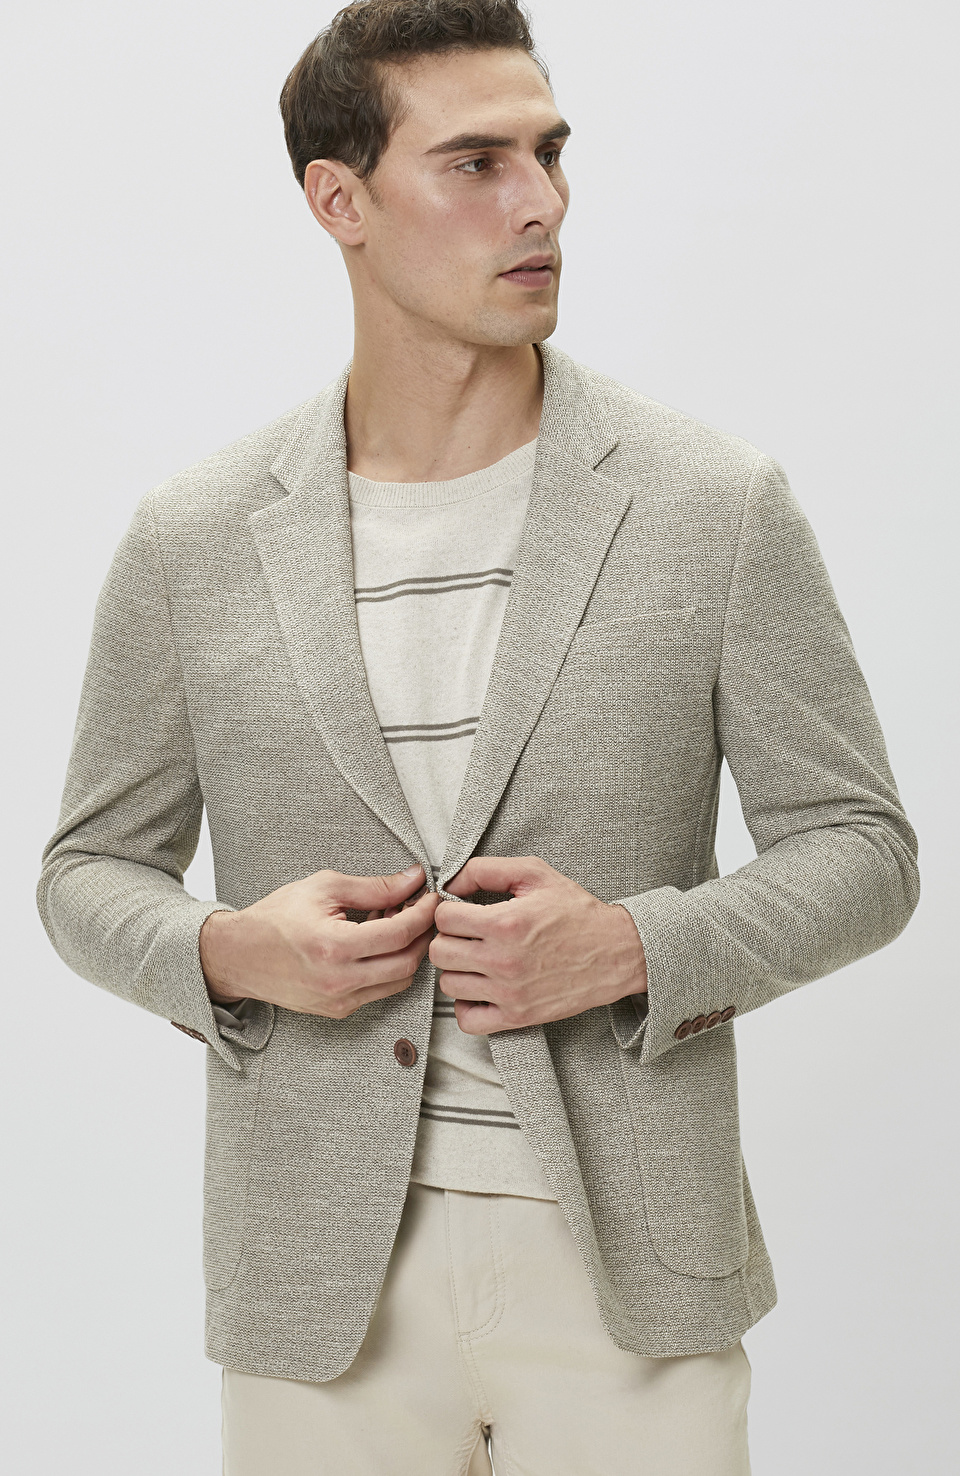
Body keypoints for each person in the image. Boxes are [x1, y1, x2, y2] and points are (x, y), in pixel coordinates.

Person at [37, 2, 920, 1472]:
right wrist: (234, 953)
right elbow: (85, 871)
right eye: (475, 163)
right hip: (318, 1289)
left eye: (550, 153)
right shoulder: (195, 539)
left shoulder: (714, 504)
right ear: (341, 202)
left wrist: (634, 948)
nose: (542, 203)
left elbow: (864, 851)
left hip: (630, 1287)